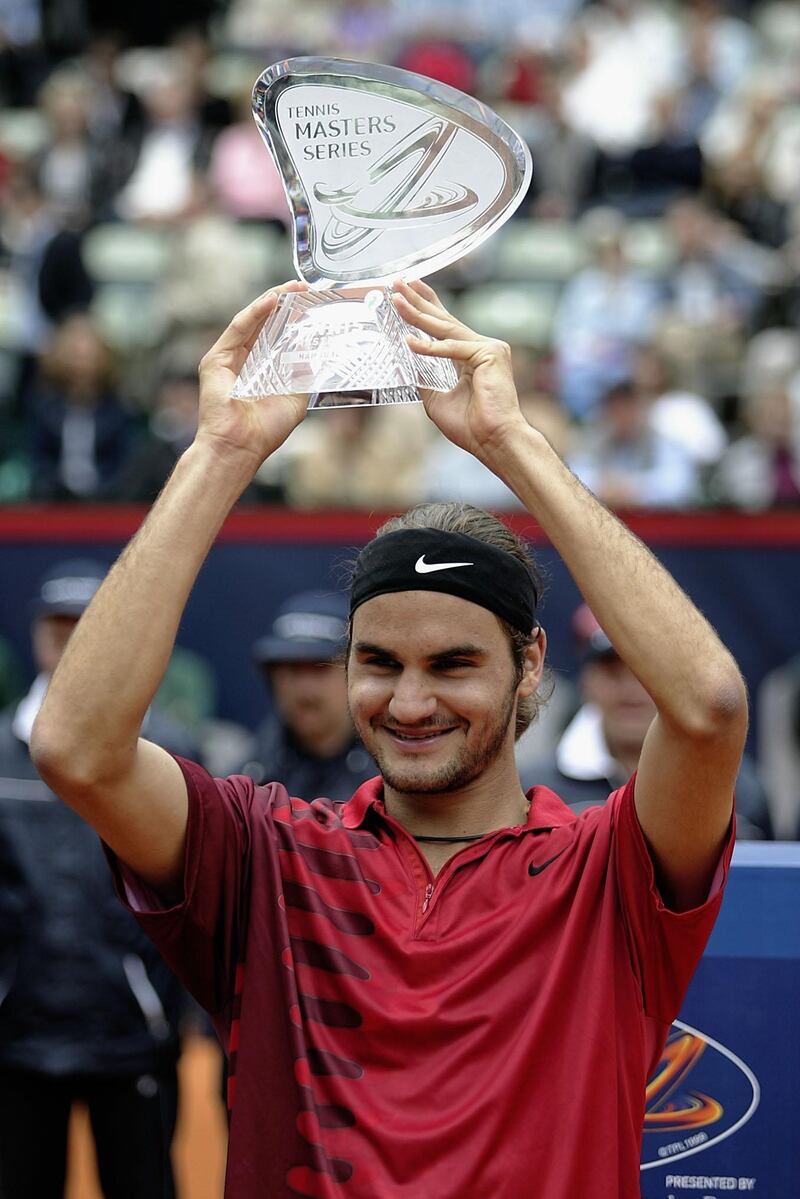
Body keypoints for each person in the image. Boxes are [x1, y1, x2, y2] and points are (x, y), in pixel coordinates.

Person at [30, 281, 749, 1199]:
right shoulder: (266, 855)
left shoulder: (608, 872)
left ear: (530, 666)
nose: (409, 701)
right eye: (378, 662)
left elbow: (708, 706)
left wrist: (510, 444)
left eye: (453, 663)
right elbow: (75, 744)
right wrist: (223, 449)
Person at [0, 559, 196, 1199]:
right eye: (58, 624)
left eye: (85, 624)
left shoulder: (170, 753)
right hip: (17, 1040)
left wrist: (159, 1006)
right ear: (35, 635)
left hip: (132, 1039)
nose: (69, 638)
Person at [524, 602, 772, 838]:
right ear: (586, 681)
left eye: (647, 673)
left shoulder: (739, 789)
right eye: (613, 672)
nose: (631, 691)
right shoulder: (533, 790)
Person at [239, 589, 376, 802]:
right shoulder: (245, 780)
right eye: (292, 669)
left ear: (357, 673)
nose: (305, 689)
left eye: (319, 668)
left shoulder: (393, 779)